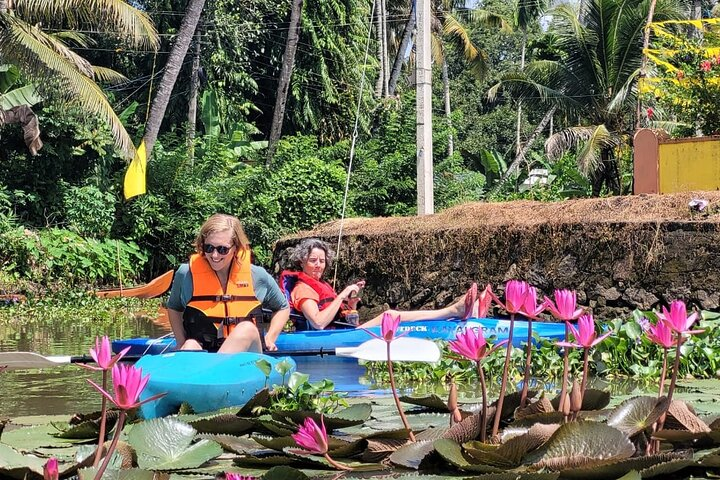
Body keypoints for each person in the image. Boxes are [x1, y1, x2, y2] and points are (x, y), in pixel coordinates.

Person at [285, 238, 473, 330]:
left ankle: (460, 312)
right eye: (313, 260)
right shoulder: (302, 289)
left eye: (322, 261)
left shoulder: (321, 284)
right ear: (302, 262)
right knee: (390, 315)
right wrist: (342, 294)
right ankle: (453, 311)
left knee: (392, 316)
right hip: (329, 338)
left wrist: (351, 306)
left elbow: (349, 321)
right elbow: (318, 322)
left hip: (343, 333)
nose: (318, 265)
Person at [167, 214, 290, 353]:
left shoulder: (257, 275)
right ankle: (209, 371)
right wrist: (180, 341)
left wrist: (270, 338)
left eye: (222, 249)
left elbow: (282, 307)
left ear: (236, 248)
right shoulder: (185, 274)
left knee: (247, 328)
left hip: (246, 359)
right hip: (206, 356)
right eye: (209, 248)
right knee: (190, 344)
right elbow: (174, 307)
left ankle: (218, 370)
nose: (214, 255)